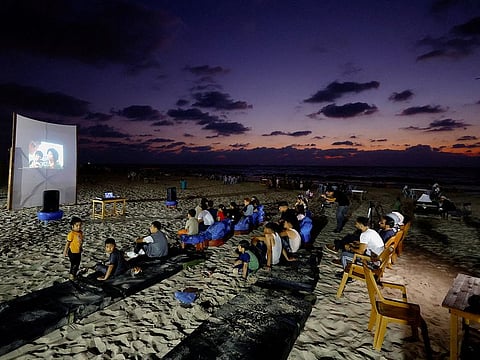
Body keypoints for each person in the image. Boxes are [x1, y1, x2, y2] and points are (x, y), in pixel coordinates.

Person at [63, 216, 83, 280]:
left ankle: (74, 274)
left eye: (80, 225)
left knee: (77, 264)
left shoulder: (80, 233)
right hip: (72, 252)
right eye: (77, 225)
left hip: (78, 252)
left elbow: (80, 242)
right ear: (72, 226)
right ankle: (71, 275)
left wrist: (81, 247)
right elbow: (67, 243)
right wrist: (65, 252)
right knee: (73, 265)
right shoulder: (71, 234)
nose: (78, 227)